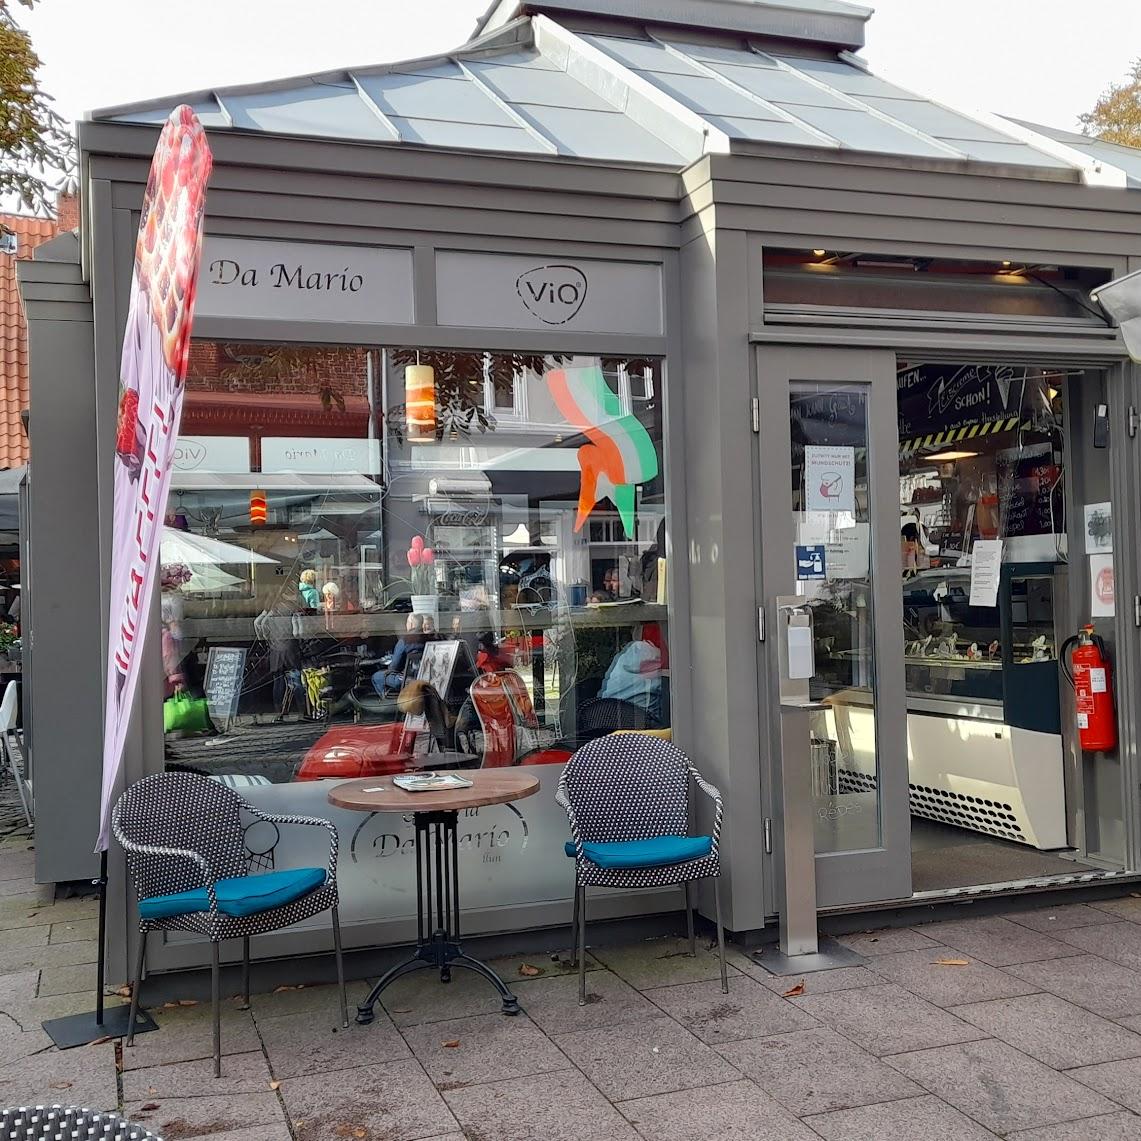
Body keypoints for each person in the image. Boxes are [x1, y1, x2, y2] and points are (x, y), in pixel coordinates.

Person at [371, 613, 426, 696]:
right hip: (424, 677)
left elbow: (395, 667)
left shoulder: (405, 641)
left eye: (407, 622)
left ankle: (388, 703)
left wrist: (388, 666)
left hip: (406, 680)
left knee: (376, 677)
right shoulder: (428, 639)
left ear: (410, 624)